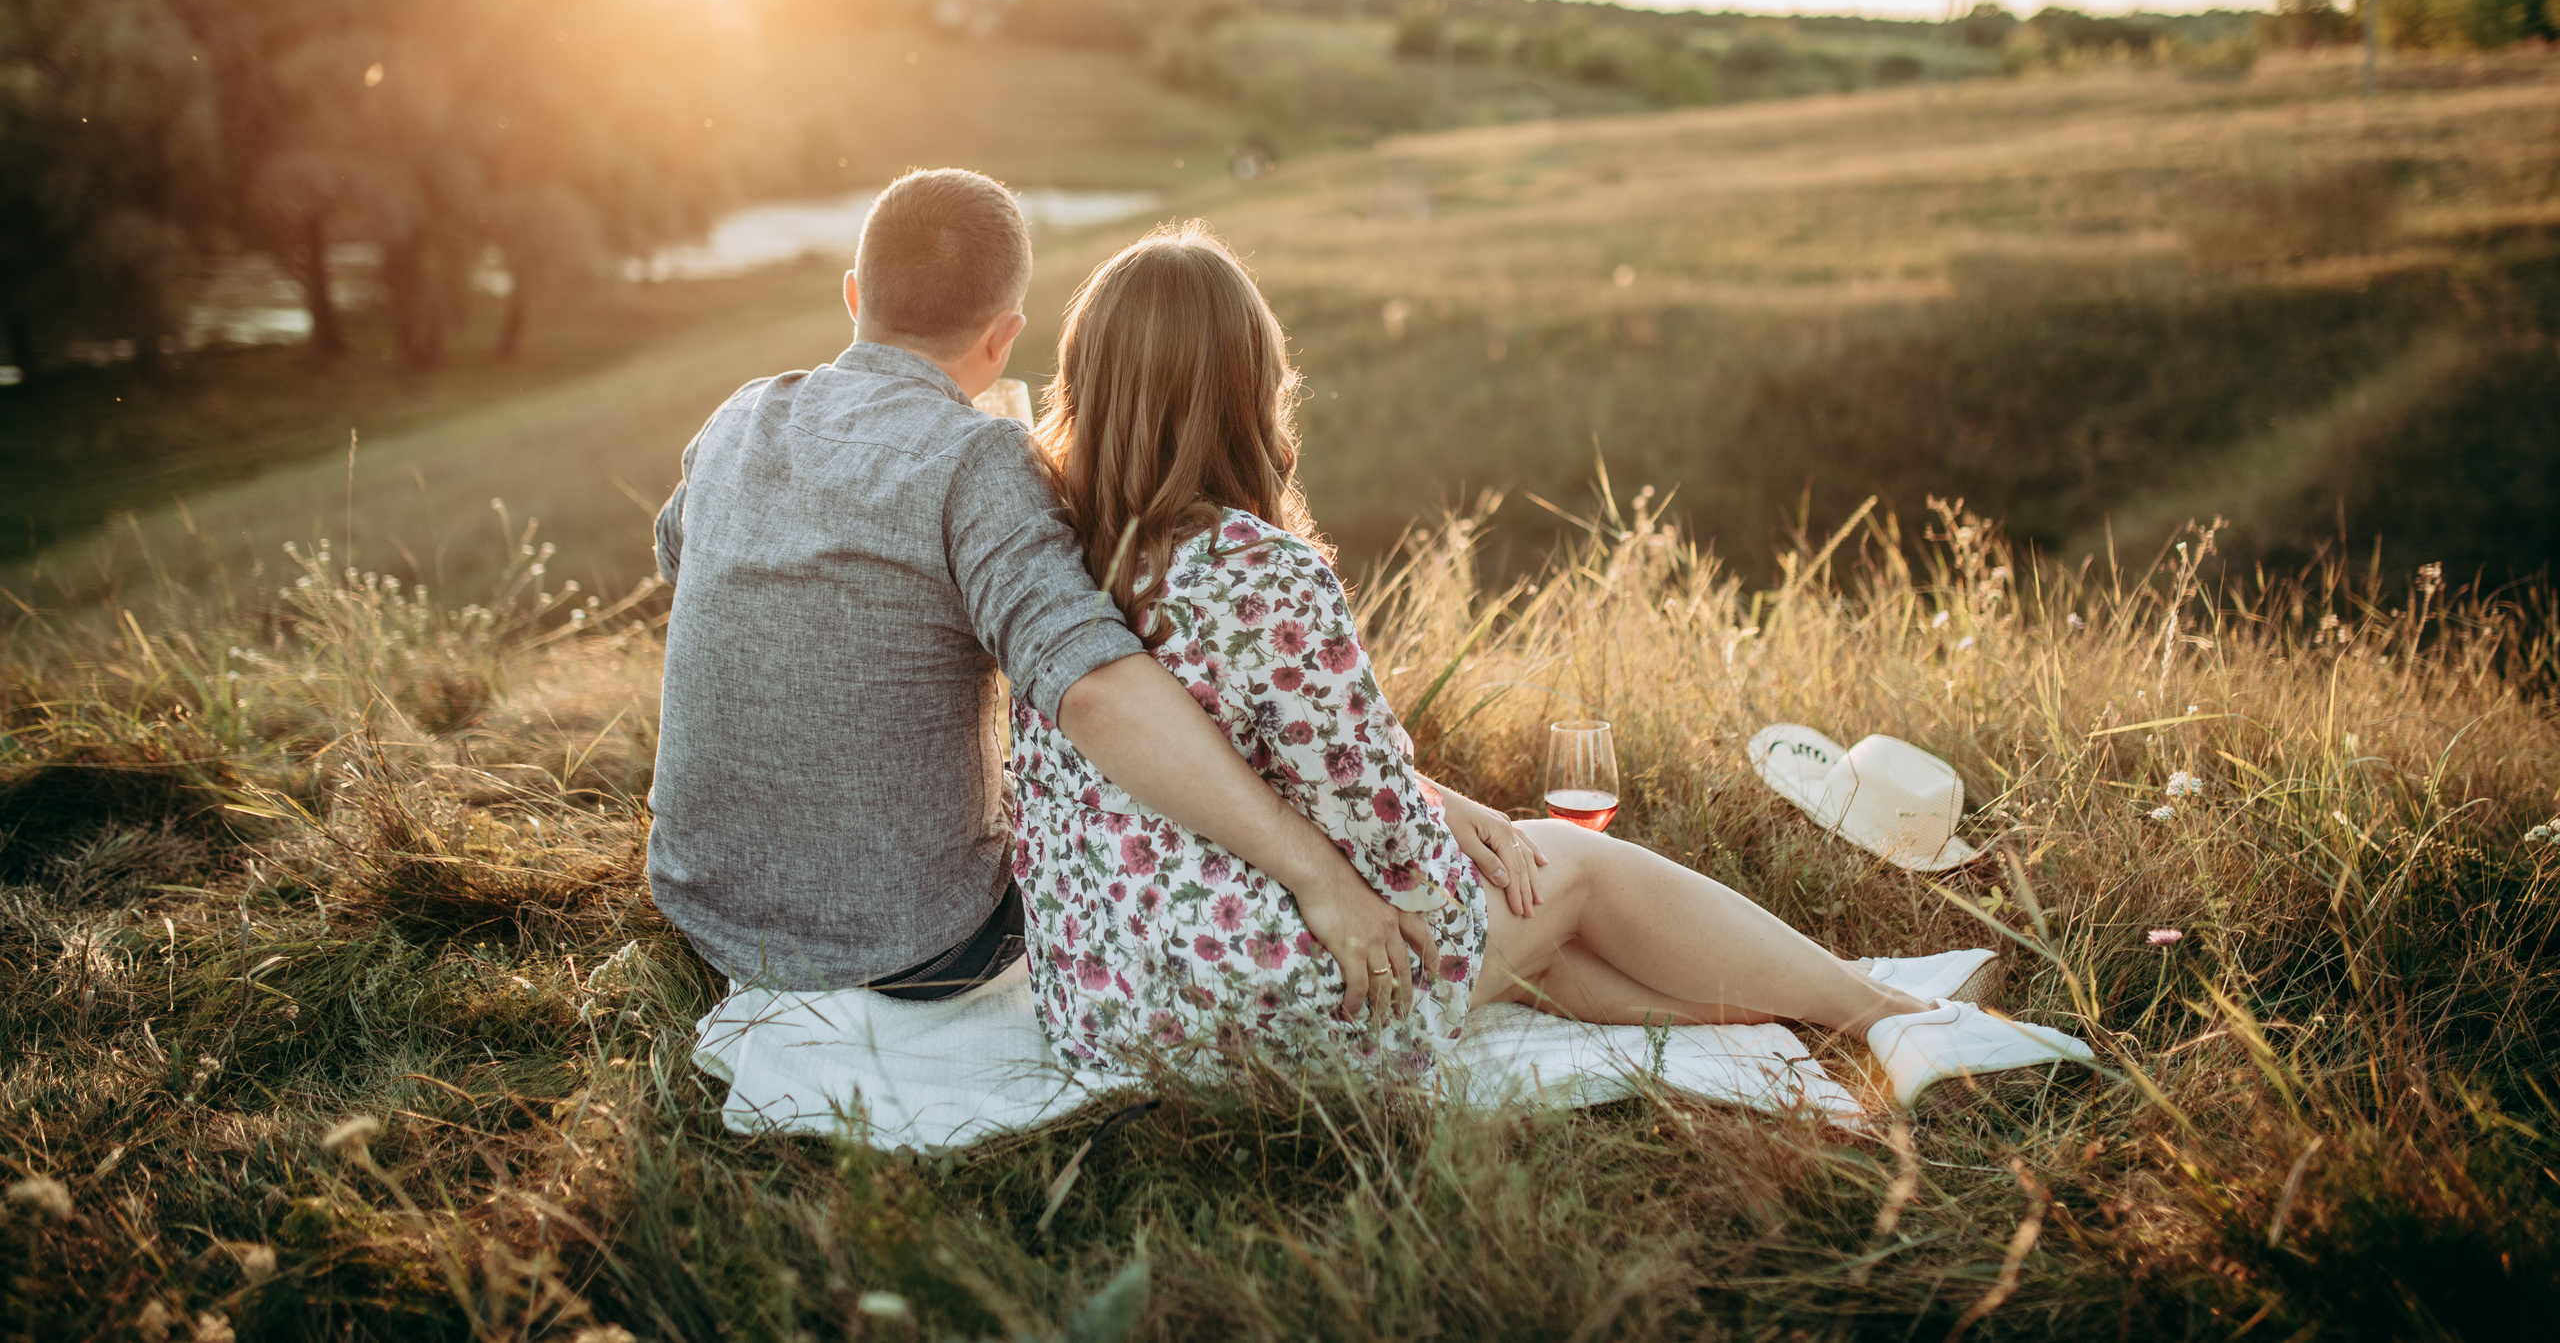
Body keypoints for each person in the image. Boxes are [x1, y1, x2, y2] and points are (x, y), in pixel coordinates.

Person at [1009, 223, 2096, 1102]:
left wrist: (1447, 805)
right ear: (1249, 388)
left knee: (1534, 921)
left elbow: (1239, 761)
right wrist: (1461, 833)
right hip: (1251, 1005)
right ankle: (1896, 1016)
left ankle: (1826, 1011)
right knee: (1567, 866)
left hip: (1109, 995)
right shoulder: (1260, 570)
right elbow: (1379, 832)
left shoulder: (1055, 558)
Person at [646, 170, 1534, 1012]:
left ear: (854, 295)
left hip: (699, 909)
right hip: (910, 948)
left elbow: (679, 556)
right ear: (1003, 337)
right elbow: (1096, 690)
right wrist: (1319, 875)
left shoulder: (739, 417)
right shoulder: (977, 460)